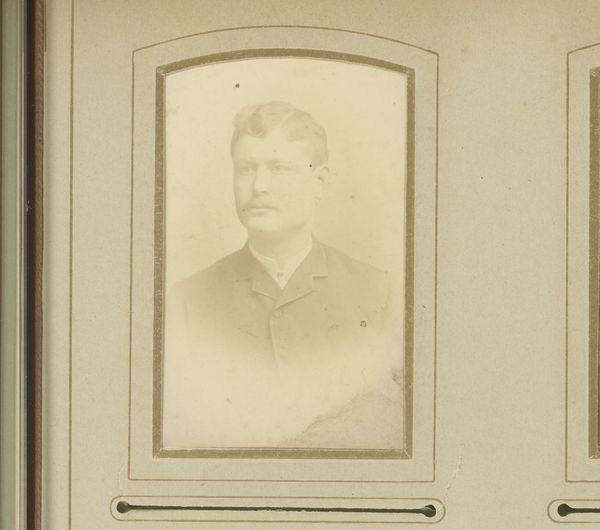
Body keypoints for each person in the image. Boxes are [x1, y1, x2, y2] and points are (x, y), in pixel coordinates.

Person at [163, 101, 404, 450]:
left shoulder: (379, 293)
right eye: (245, 169)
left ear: (320, 182)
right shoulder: (186, 301)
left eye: (279, 168)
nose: (259, 186)